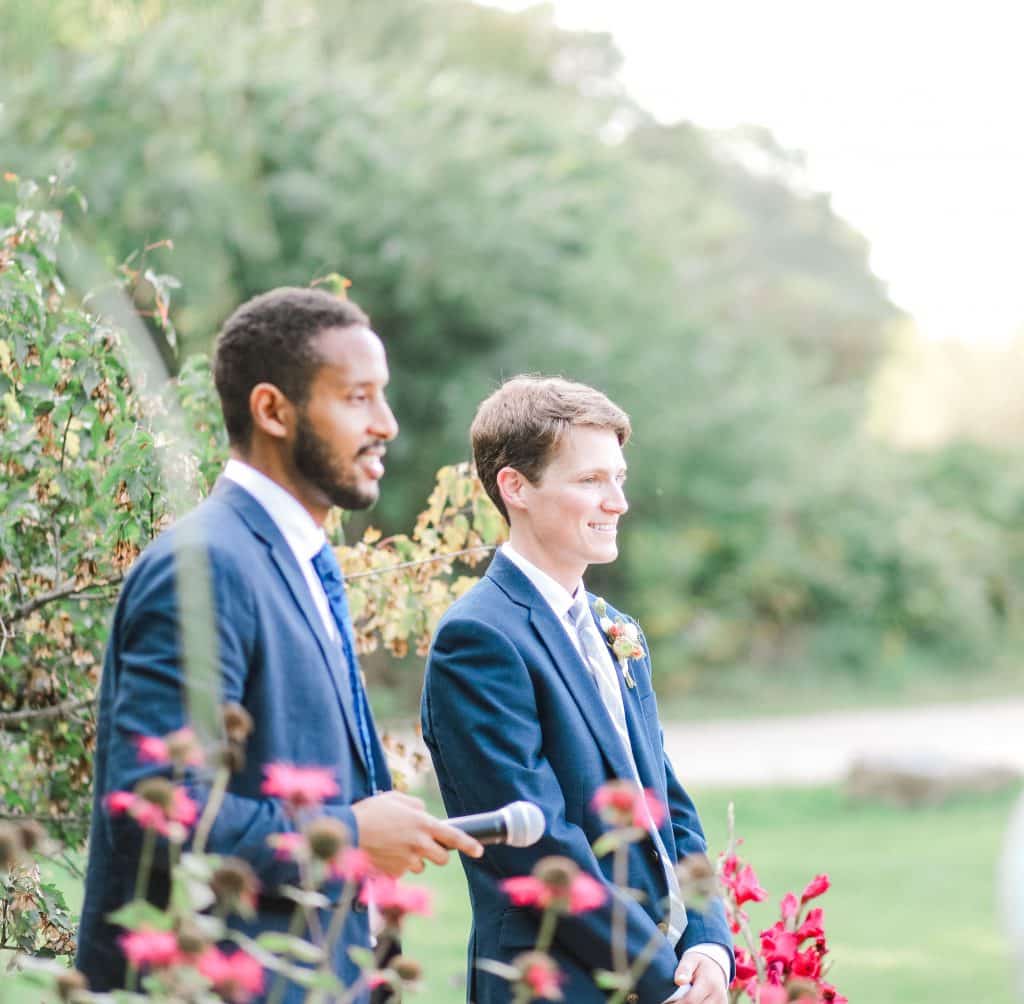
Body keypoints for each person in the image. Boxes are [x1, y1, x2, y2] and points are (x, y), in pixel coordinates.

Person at [76, 287, 482, 1000]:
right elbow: (154, 810)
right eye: (358, 398)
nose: (386, 423)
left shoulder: (297, 559)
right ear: (272, 410)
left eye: (381, 397)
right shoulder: (203, 567)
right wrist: (348, 834)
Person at [422, 376, 733, 1004]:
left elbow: (664, 801)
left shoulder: (616, 627)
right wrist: (659, 982)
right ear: (516, 488)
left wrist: (706, 941)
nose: (617, 501)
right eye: (591, 480)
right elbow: (542, 850)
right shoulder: (478, 639)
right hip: (557, 983)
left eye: (619, 478)